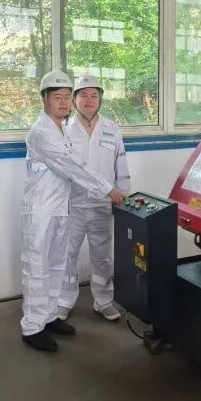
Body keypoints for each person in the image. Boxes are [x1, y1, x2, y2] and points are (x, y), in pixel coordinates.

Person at [20, 70, 126, 353]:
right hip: (42, 210)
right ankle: (32, 327)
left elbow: (99, 163)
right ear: (44, 100)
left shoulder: (61, 129)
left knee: (57, 263)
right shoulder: (42, 132)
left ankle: (50, 317)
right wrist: (108, 189)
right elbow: (73, 166)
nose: (64, 103)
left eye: (67, 97)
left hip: (61, 207)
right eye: (58, 97)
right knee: (37, 267)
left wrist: (115, 190)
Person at [58, 72, 131, 322]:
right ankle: (64, 301)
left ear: (100, 99)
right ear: (74, 99)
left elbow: (121, 165)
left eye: (94, 95)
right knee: (67, 255)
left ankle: (104, 301)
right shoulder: (64, 130)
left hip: (103, 204)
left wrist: (123, 198)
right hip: (72, 204)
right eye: (84, 95)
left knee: (102, 256)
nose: (89, 100)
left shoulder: (111, 129)